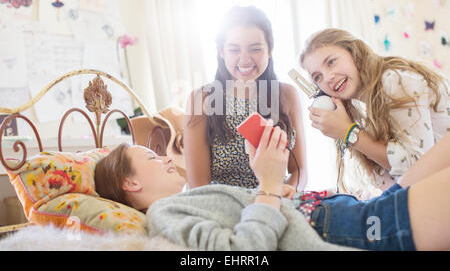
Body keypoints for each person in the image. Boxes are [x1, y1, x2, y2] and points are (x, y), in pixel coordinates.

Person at [95, 122, 450, 251]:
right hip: (354, 229)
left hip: (351, 213)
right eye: (154, 159)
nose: (168, 158)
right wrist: (266, 183)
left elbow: (263, 218)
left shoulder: (189, 200)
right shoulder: (163, 215)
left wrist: (272, 186)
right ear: (131, 182)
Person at [299, 28, 450, 193]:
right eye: (317, 77)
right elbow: (394, 186)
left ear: (354, 53)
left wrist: (349, 132)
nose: (327, 78)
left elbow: (417, 169)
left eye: (331, 62)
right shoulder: (369, 110)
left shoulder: (394, 80)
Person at [183, 6, 307, 195]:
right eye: (234, 50)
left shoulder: (286, 94)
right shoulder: (202, 99)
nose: (245, 60)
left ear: (269, 50)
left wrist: (289, 191)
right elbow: (198, 185)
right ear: (221, 52)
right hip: (222, 206)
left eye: (255, 49)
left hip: (277, 199)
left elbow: (299, 169)